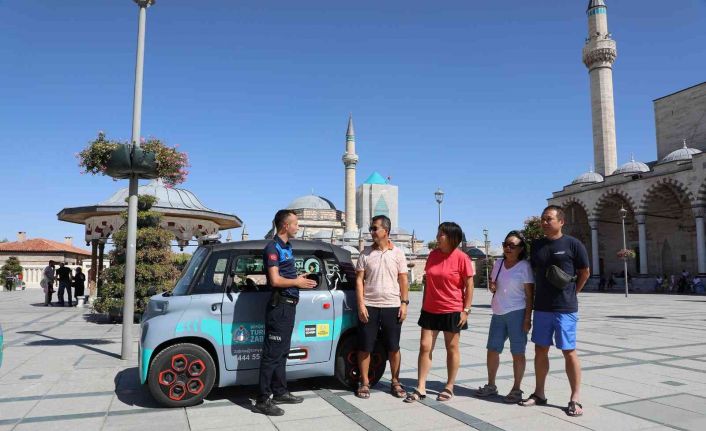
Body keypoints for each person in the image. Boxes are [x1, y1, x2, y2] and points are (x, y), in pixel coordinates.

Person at [520, 205, 590, 418]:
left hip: (564, 307)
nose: (544, 222)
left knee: (568, 350)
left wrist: (572, 293)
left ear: (561, 221)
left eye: (548, 219)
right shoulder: (537, 245)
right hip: (542, 307)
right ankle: (539, 393)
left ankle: (575, 397)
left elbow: (584, 272)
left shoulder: (573, 244)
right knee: (540, 350)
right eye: (542, 219)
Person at [253, 209, 317, 416]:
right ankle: (263, 400)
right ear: (284, 226)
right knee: (271, 355)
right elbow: (275, 280)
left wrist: (299, 277)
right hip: (279, 306)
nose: (298, 227)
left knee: (281, 352)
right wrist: (297, 282)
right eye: (295, 224)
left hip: (289, 305)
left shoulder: (287, 247)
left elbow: (285, 275)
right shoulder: (272, 247)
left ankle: (280, 391)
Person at [404, 222, 474, 403]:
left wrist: (466, 309)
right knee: (425, 347)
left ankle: (450, 386)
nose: (437, 237)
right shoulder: (433, 255)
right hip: (430, 309)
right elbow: (428, 281)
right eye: (438, 233)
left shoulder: (462, 258)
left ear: (452, 237)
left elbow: (469, 285)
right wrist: (424, 304)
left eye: (441, 234)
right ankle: (421, 386)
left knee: (452, 348)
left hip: (452, 309)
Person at [475, 231, 534, 404]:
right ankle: (491, 385)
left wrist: (527, 318)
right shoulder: (498, 263)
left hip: (517, 312)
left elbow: (530, 295)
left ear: (521, 248)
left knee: (517, 352)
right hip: (498, 312)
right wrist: (492, 287)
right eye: (505, 244)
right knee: (492, 350)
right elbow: (493, 285)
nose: (508, 248)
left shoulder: (524, 266)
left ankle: (516, 389)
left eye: (512, 245)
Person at [355, 215, 410, 399]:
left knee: (393, 347)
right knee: (365, 347)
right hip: (369, 306)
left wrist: (404, 303)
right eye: (371, 228)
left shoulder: (398, 253)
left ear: (385, 231)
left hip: (392, 306)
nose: (371, 231)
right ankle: (364, 383)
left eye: (375, 228)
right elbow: (359, 280)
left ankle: (395, 381)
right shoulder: (365, 254)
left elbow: (403, 279)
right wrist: (361, 304)